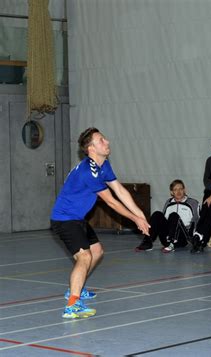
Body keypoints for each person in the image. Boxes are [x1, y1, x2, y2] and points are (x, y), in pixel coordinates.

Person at [50, 128, 150, 319]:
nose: (107, 142)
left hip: (77, 218)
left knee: (97, 252)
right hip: (64, 219)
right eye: (101, 140)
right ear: (91, 148)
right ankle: (72, 305)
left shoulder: (104, 164)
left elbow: (120, 191)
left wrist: (141, 215)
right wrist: (135, 219)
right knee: (84, 257)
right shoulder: (89, 171)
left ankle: (75, 287)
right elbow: (111, 201)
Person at [135, 179, 200, 253]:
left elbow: (197, 221)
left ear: (184, 190)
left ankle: (172, 243)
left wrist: (195, 239)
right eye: (175, 190)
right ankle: (148, 242)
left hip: (183, 238)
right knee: (157, 214)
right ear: (171, 192)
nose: (178, 192)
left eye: (181, 189)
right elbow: (163, 221)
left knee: (173, 215)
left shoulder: (193, 203)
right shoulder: (168, 203)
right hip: (166, 238)